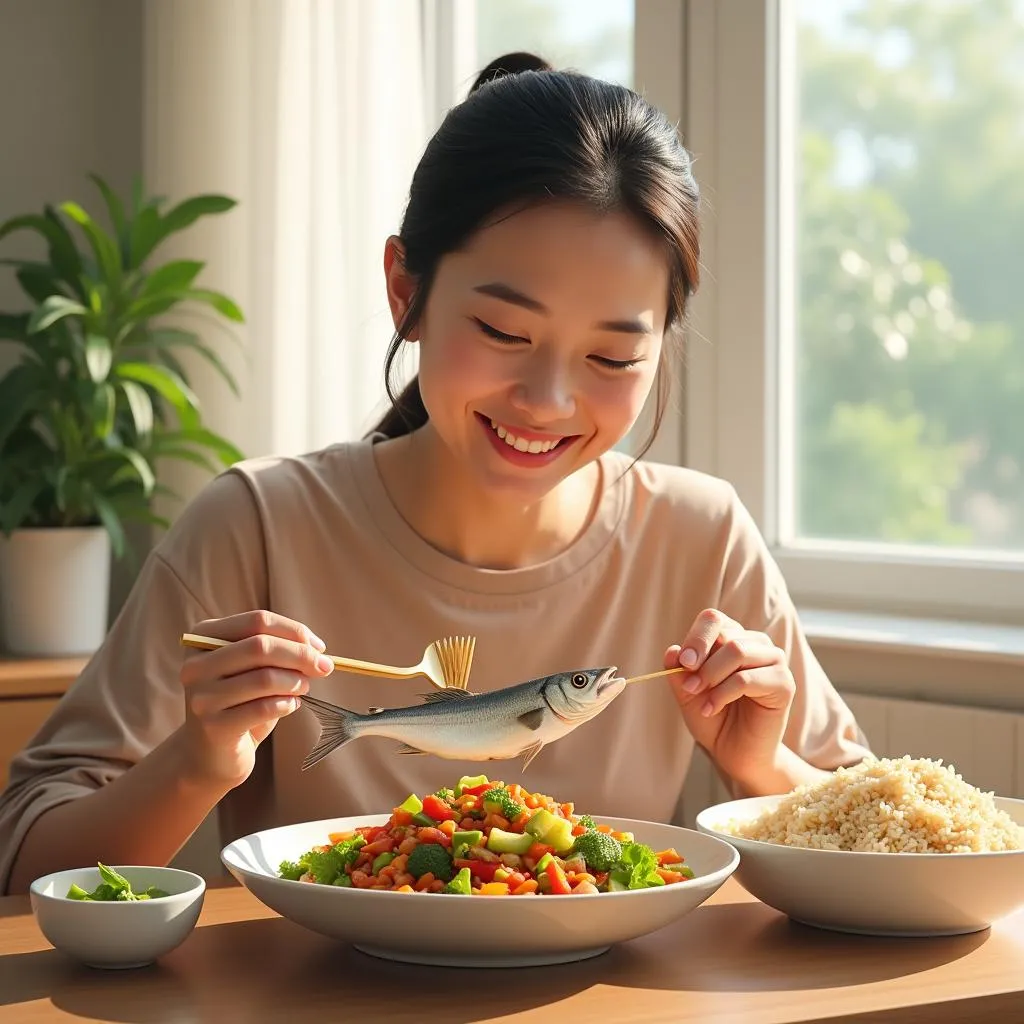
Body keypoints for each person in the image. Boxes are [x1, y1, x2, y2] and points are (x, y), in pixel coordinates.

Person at [0, 53, 871, 895]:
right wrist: (196, 763)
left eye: (612, 355)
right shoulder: (259, 523)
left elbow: (883, 834)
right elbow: (24, 857)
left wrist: (762, 764)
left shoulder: (703, 534)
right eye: (501, 332)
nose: (549, 400)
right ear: (404, 291)